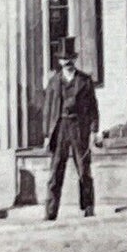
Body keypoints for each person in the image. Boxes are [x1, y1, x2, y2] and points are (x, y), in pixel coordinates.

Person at [43, 38, 99, 221]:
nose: (66, 62)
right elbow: (48, 109)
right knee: (56, 169)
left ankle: (88, 207)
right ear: (59, 61)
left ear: (74, 60)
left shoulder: (85, 80)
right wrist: (46, 134)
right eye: (63, 59)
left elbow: (93, 107)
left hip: (78, 127)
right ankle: (50, 212)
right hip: (60, 127)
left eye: (69, 59)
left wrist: (93, 130)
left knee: (84, 168)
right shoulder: (53, 82)